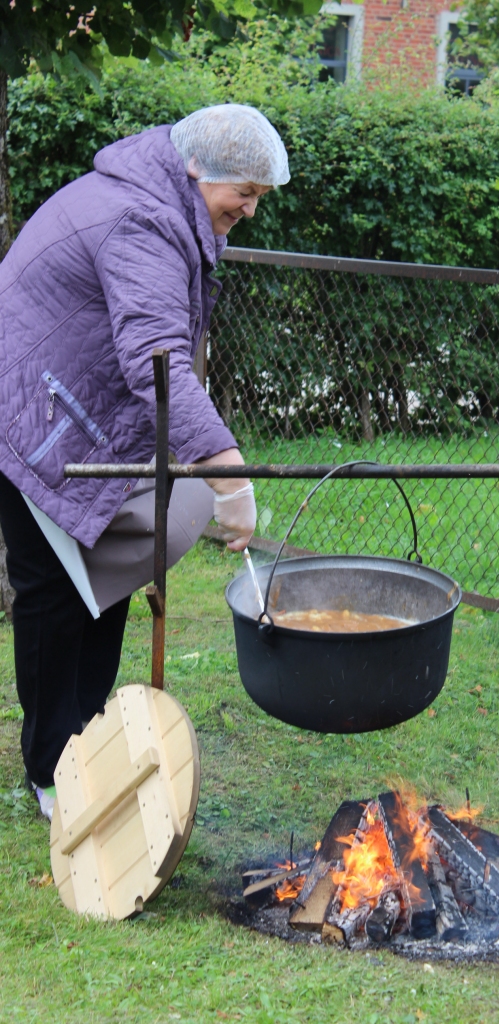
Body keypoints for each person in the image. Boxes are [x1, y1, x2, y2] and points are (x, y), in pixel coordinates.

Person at [0, 104, 290, 820]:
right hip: (27, 415)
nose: (249, 210)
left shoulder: (157, 198)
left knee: (105, 576)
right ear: (198, 169)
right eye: (243, 193)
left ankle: (84, 741)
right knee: (49, 594)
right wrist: (231, 478)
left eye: (258, 197)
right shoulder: (142, 221)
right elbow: (156, 359)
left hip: (69, 408)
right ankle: (50, 772)